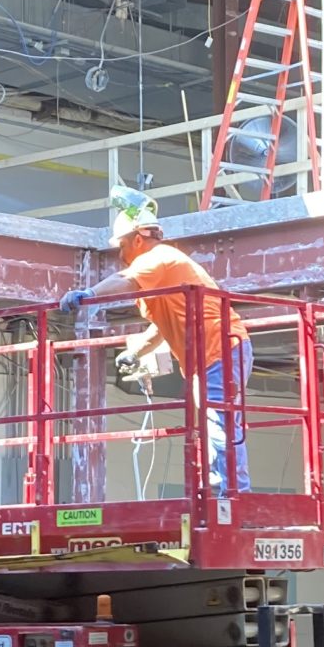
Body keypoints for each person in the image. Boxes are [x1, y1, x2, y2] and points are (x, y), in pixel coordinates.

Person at [73, 189, 253, 494]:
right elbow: (161, 326)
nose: (120, 254)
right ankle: (220, 491)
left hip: (219, 349)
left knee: (219, 424)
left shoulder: (158, 258)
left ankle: (234, 496)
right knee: (213, 424)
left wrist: (88, 295)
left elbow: (123, 281)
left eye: (123, 245)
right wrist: (135, 352)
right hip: (216, 352)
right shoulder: (166, 268)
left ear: (138, 239)